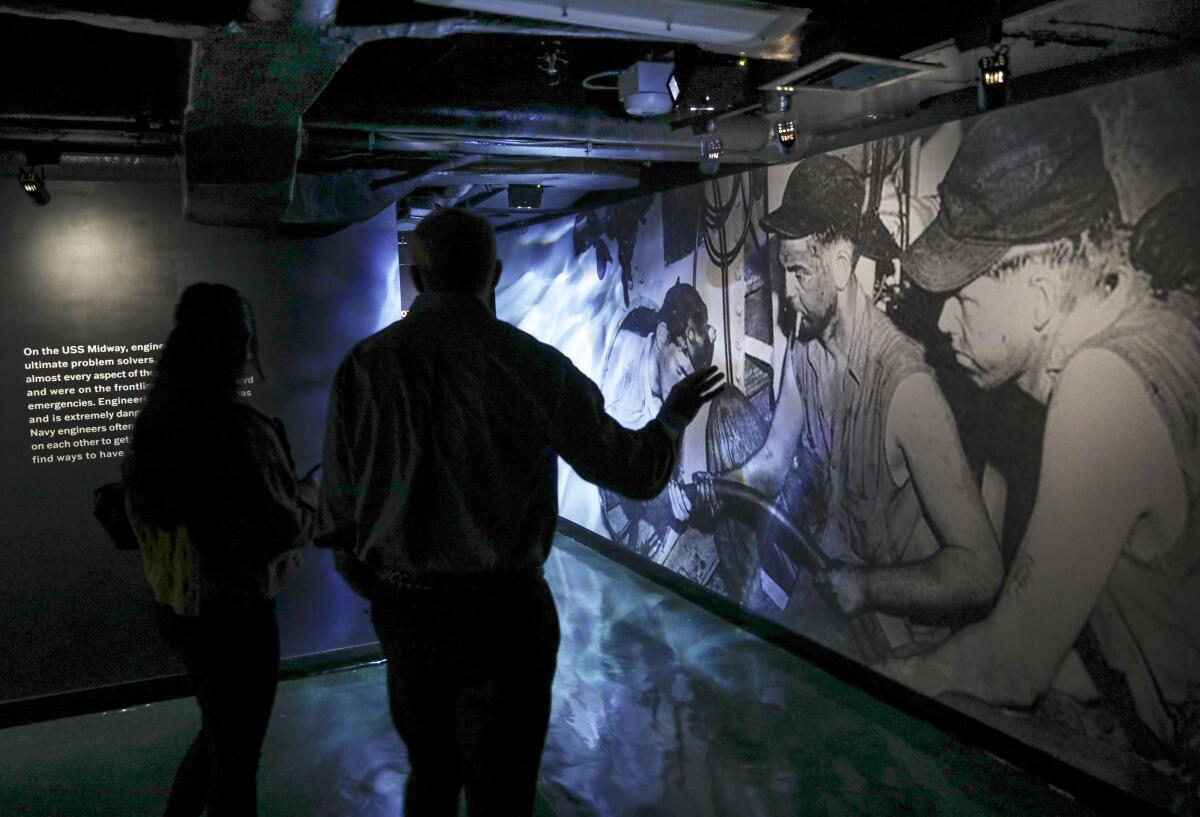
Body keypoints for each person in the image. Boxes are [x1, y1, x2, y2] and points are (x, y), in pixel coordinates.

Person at [315, 207, 723, 817]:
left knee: (429, 777)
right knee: (501, 793)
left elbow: (339, 524)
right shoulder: (531, 365)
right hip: (503, 616)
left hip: (406, 612)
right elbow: (633, 472)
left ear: (418, 278)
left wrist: (389, 591)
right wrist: (671, 418)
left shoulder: (363, 368)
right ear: (496, 272)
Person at [886, 99, 1200, 779]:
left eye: (962, 292)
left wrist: (880, 678)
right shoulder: (1150, 312)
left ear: (1037, 289)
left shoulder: (1102, 388)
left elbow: (1011, 665)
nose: (942, 322)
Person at [698, 155, 1002, 653]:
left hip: (906, 628)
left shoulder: (907, 389)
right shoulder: (803, 346)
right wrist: (716, 485)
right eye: (783, 272)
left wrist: (867, 588)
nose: (786, 294)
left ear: (840, 266)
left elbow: (981, 569)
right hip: (835, 578)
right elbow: (773, 464)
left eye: (797, 273)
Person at [124, 283, 315, 817]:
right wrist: (311, 499)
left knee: (217, 736)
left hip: (179, 611)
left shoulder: (155, 424)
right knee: (236, 762)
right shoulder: (241, 430)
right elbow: (275, 530)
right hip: (237, 618)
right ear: (241, 345)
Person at [598, 280, 715, 563]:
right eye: (679, 370)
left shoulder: (664, 380)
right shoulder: (619, 395)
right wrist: (662, 498)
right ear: (661, 335)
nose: (681, 388)